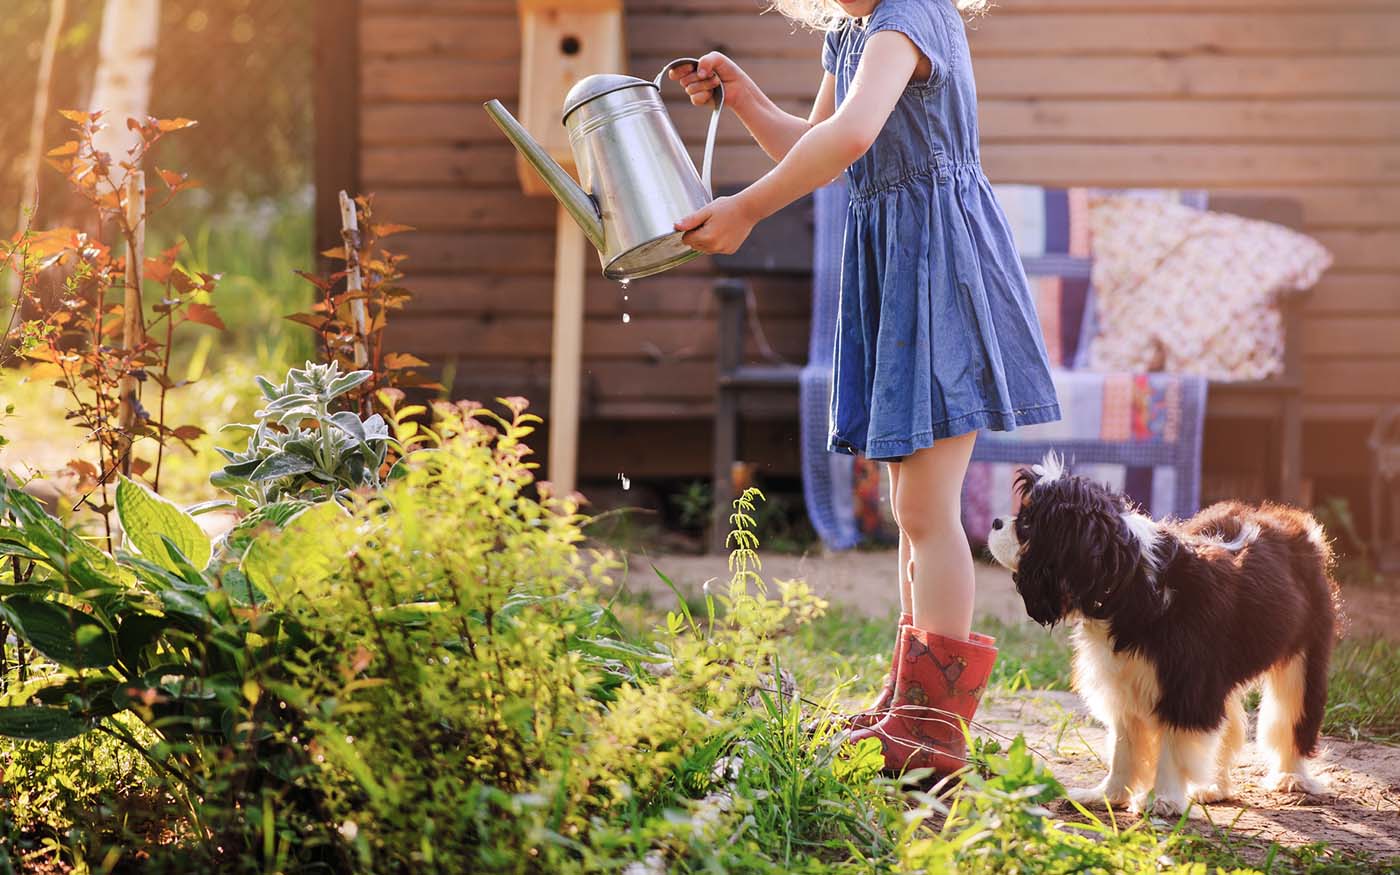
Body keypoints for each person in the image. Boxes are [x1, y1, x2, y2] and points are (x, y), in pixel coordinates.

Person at [670, 0, 1060, 775]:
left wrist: (746, 209)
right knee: (906, 507)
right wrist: (745, 98)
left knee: (925, 508)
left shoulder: (909, 19)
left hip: (943, 273)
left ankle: (934, 731)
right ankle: (906, 704)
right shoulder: (851, 34)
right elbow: (820, 145)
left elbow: (852, 134)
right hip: (897, 277)